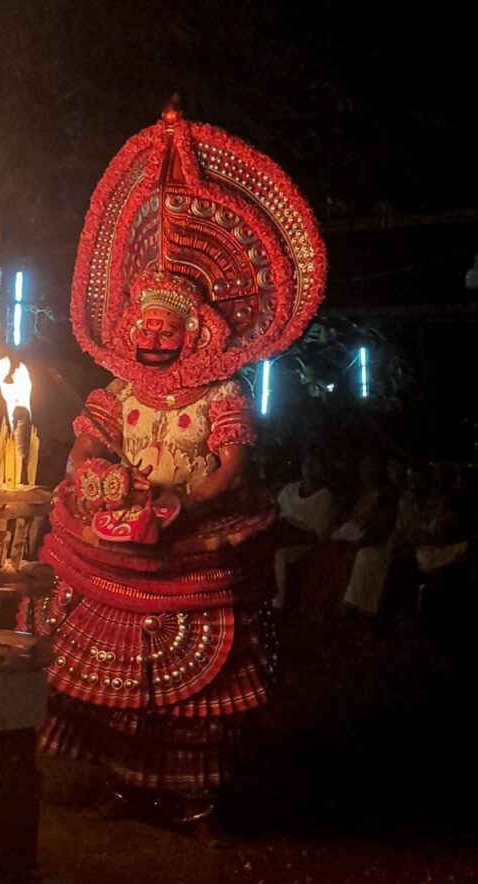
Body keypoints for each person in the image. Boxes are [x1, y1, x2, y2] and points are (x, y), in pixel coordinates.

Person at [32, 105, 327, 842]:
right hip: (118, 537)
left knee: (200, 689)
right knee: (96, 668)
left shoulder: (222, 397)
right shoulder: (115, 393)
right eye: (143, 328)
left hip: (192, 541)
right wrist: (105, 484)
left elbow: (229, 473)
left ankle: (191, 799)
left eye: (166, 329)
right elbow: (83, 451)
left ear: (195, 330)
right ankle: (124, 785)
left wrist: (178, 505)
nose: (151, 337)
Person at [271, 453, 337, 610]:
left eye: (314, 465)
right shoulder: (289, 489)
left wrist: (294, 532)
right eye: (307, 464)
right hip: (282, 535)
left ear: (322, 470)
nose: (309, 469)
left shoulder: (325, 497)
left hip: (303, 543)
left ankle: (278, 602)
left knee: (278, 554)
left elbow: (318, 534)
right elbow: (275, 513)